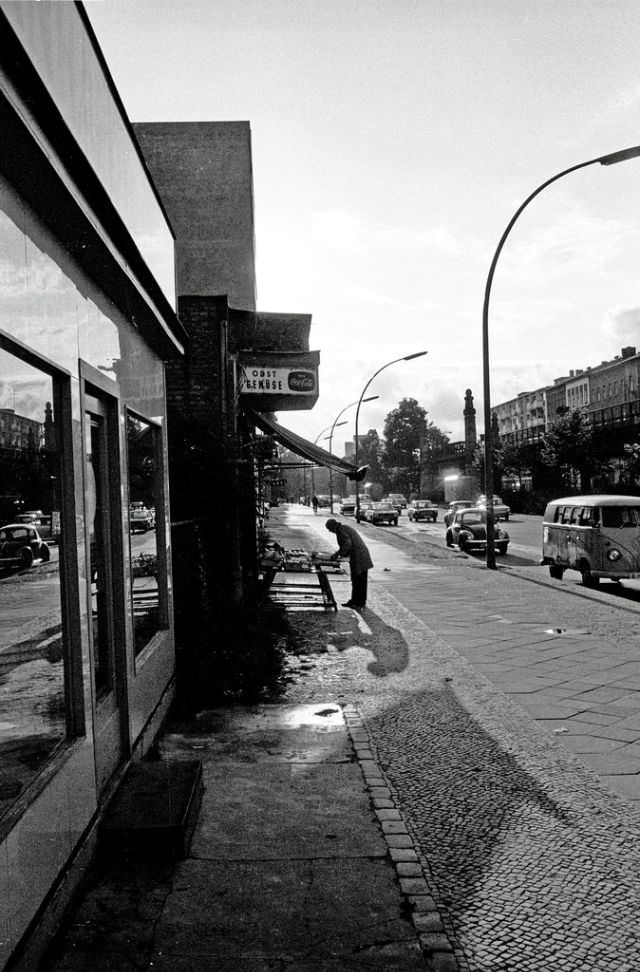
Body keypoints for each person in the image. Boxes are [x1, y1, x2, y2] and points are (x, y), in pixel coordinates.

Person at [325, 517, 373, 609]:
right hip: (360, 555)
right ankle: (358, 601)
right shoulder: (343, 528)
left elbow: (347, 544)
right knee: (359, 580)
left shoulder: (341, 531)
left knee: (358, 580)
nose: (330, 532)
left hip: (359, 556)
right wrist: (340, 554)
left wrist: (338, 555)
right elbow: (346, 545)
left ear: (333, 527)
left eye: (329, 529)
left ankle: (357, 601)